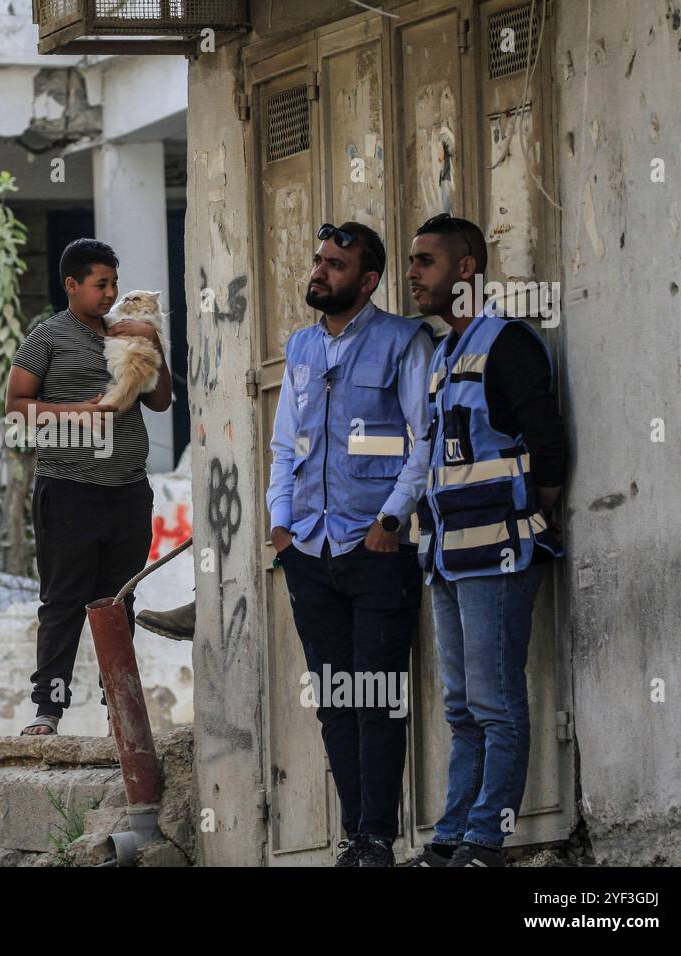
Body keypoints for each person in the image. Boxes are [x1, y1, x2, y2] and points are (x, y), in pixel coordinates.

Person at [402, 214, 568, 867]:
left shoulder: (509, 344)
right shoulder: (444, 354)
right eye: (412, 262)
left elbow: (548, 445)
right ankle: (451, 840)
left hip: (500, 552)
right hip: (445, 559)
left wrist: (536, 509)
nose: (413, 274)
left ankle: (486, 841)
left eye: (426, 262)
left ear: (466, 268)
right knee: (462, 706)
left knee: (496, 702)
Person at [267, 221, 434, 866]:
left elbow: (424, 439)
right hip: (310, 551)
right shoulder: (303, 347)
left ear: (367, 281)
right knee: (336, 700)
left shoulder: (403, 340)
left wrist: (391, 522)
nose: (319, 272)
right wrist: (282, 524)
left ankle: (376, 839)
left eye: (335, 266)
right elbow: (287, 444)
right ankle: (352, 840)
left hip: (376, 553)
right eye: (318, 261)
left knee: (378, 701)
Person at [6, 238, 172, 736]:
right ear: (72, 285)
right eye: (101, 284)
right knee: (63, 601)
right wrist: (84, 410)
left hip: (127, 491)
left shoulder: (127, 332)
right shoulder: (48, 337)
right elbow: (16, 407)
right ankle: (48, 710)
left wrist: (153, 340)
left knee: (118, 602)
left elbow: (161, 400)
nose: (110, 293)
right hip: (68, 490)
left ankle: (118, 712)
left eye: (115, 283)